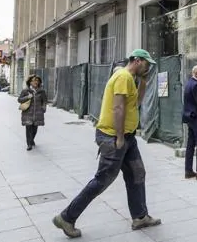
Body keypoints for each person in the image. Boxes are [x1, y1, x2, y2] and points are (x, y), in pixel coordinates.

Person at [53, 49, 161, 238]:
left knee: (137, 173)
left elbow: (136, 103)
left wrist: (144, 80)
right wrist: (119, 137)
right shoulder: (123, 77)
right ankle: (67, 217)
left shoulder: (131, 79)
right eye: (146, 63)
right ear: (137, 60)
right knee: (102, 180)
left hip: (128, 137)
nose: (148, 66)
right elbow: (118, 107)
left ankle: (140, 216)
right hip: (114, 137)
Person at [18, 75, 48, 150]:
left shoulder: (41, 91)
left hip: (38, 113)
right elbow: (19, 100)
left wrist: (43, 108)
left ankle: (31, 140)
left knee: (35, 129)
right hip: (27, 113)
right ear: (30, 82)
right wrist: (27, 97)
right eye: (34, 80)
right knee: (28, 128)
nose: (36, 82)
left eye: (37, 80)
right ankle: (29, 144)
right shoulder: (25, 91)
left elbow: (44, 101)